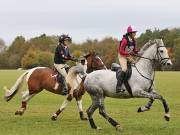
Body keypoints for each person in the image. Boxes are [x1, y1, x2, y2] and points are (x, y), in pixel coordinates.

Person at [116, 25, 139, 93]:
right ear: (130, 33)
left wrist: (137, 52)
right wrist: (128, 54)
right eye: (134, 32)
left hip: (128, 56)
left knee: (136, 66)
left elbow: (134, 50)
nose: (135, 33)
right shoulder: (125, 40)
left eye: (135, 32)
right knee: (124, 69)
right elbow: (121, 51)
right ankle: (118, 87)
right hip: (122, 56)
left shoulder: (134, 40)